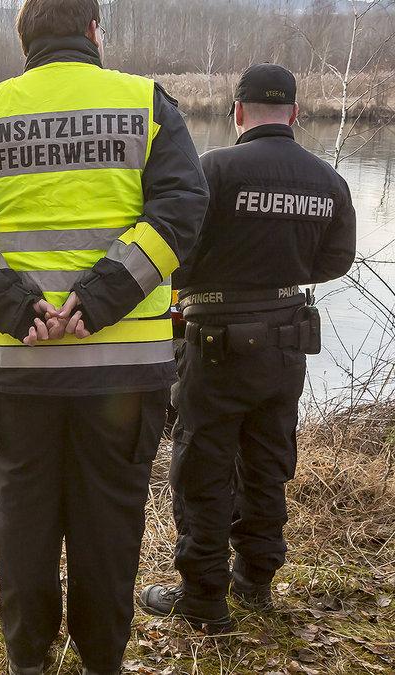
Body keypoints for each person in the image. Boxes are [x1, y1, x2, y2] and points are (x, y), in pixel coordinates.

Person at [0, 0, 208, 672]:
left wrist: (10, 301)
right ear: (93, 32)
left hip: (18, 363)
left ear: (24, 40)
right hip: (125, 370)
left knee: (23, 515)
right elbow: (183, 208)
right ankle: (102, 656)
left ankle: (28, 656)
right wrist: (104, 293)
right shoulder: (146, 106)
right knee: (109, 518)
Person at [139, 64, 356, 631]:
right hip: (287, 341)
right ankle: (256, 580)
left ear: (237, 112)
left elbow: (175, 252)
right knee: (268, 463)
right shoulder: (327, 181)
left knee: (204, 468)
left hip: (215, 341)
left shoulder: (213, 171)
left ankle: (205, 599)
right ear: (295, 114)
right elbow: (337, 261)